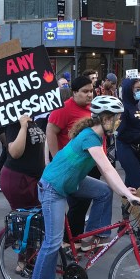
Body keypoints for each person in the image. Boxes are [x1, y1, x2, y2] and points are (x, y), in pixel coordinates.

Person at [25, 95, 140, 279]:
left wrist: (123, 190)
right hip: (53, 187)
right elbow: (108, 169)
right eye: (116, 118)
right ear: (105, 118)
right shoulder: (90, 137)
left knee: (103, 192)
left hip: (72, 181)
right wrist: (127, 195)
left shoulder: (98, 137)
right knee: (52, 242)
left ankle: (92, 240)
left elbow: (108, 176)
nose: (119, 121)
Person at [0, 113, 46, 276]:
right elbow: (14, 152)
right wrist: (22, 126)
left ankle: (24, 260)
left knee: (31, 220)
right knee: (24, 220)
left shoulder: (32, 120)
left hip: (31, 179)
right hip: (17, 179)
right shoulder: (15, 123)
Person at [46, 75, 96, 238]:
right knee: (78, 206)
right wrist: (56, 157)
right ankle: (70, 239)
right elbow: (51, 131)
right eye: (85, 91)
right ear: (74, 92)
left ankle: (86, 236)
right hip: (72, 166)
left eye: (91, 90)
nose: (89, 94)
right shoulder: (63, 109)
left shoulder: (93, 108)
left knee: (97, 197)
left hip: (91, 163)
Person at [116, 78, 140, 190]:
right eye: (137, 89)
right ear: (128, 90)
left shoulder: (135, 106)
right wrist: (139, 135)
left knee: (130, 184)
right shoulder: (123, 108)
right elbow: (119, 132)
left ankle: (126, 206)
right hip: (126, 149)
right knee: (137, 184)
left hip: (137, 150)